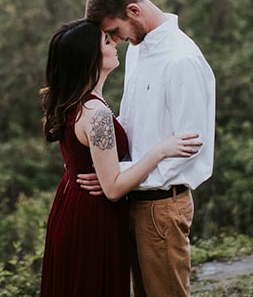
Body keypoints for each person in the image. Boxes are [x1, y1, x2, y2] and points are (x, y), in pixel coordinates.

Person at [39, 18, 202, 297]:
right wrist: (161, 150)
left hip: (73, 207)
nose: (114, 42)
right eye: (106, 41)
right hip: (92, 218)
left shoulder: (75, 104)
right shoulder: (95, 113)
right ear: (91, 57)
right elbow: (113, 188)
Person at [79, 0, 216, 297]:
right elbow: (133, 124)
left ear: (134, 11)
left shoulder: (181, 60)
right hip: (132, 201)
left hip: (161, 207)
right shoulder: (138, 48)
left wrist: (116, 175)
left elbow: (189, 148)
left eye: (114, 30)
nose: (114, 40)